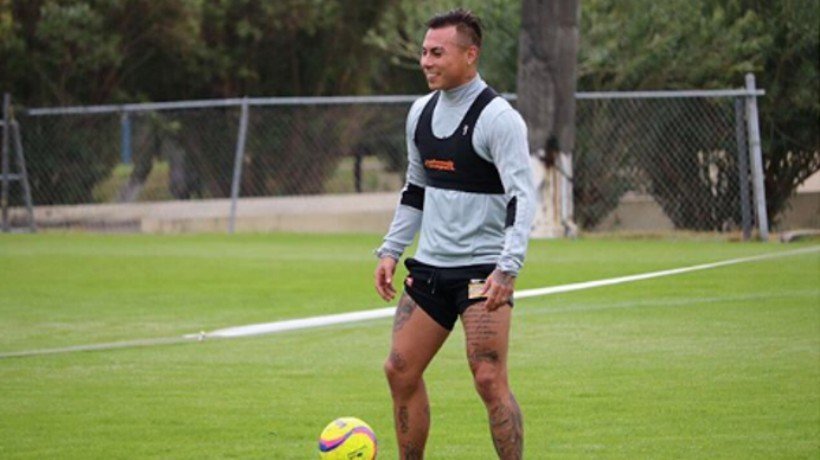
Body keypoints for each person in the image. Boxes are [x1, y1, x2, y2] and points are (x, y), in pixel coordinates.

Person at [373, 8, 535, 459]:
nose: (426, 61)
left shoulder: (499, 119)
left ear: (470, 54)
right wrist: (391, 250)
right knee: (399, 370)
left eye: (437, 53)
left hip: (484, 272)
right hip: (431, 269)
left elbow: (522, 197)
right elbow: (415, 189)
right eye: (424, 52)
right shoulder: (419, 114)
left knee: (488, 378)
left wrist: (509, 266)